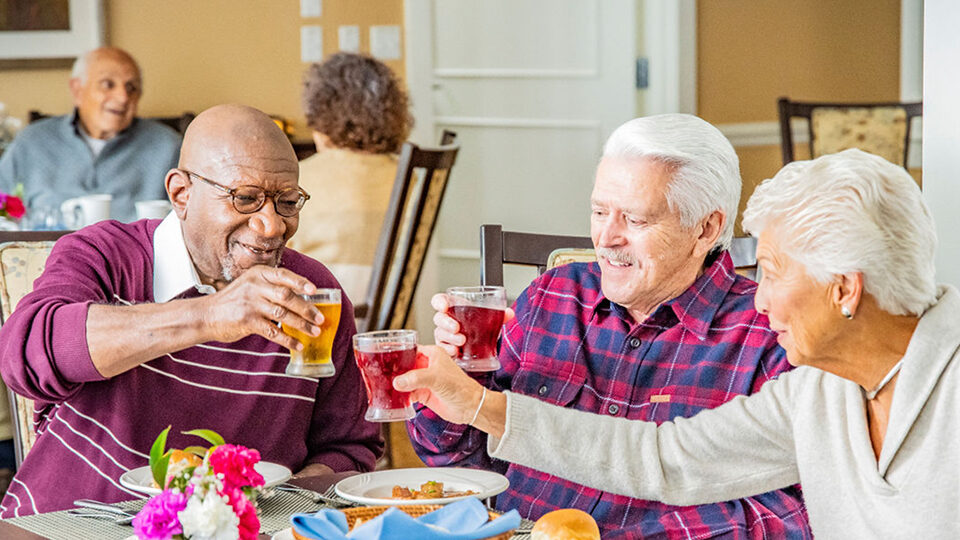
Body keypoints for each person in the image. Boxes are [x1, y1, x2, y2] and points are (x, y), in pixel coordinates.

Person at [398, 149, 958, 539]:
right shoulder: (820, 391)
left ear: (844, 288)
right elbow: (663, 458)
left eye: (771, 273)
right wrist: (476, 403)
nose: (759, 300)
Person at [406, 115, 812, 538]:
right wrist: (461, 378)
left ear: (705, 228)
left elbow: (788, 516)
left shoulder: (770, 334)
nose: (606, 238)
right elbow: (450, 456)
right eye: (599, 211)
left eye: (635, 221)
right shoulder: (555, 295)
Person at [0, 104, 382, 517]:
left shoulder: (313, 292)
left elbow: (349, 446)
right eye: (246, 199)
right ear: (181, 194)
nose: (271, 226)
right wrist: (211, 314)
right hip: (67, 524)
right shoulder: (104, 256)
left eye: (287, 201)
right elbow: (24, 355)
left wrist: (279, 511)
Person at [0, 47, 180, 223]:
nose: (123, 97)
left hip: (134, 253)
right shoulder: (33, 141)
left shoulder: (168, 145)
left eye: (131, 87)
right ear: (77, 90)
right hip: (45, 251)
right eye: (108, 84)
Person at [287, 52, 414, 303]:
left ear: (320, 116)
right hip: (394, 324)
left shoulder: (298, 178)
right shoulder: (412, 177)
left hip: (322, 319)